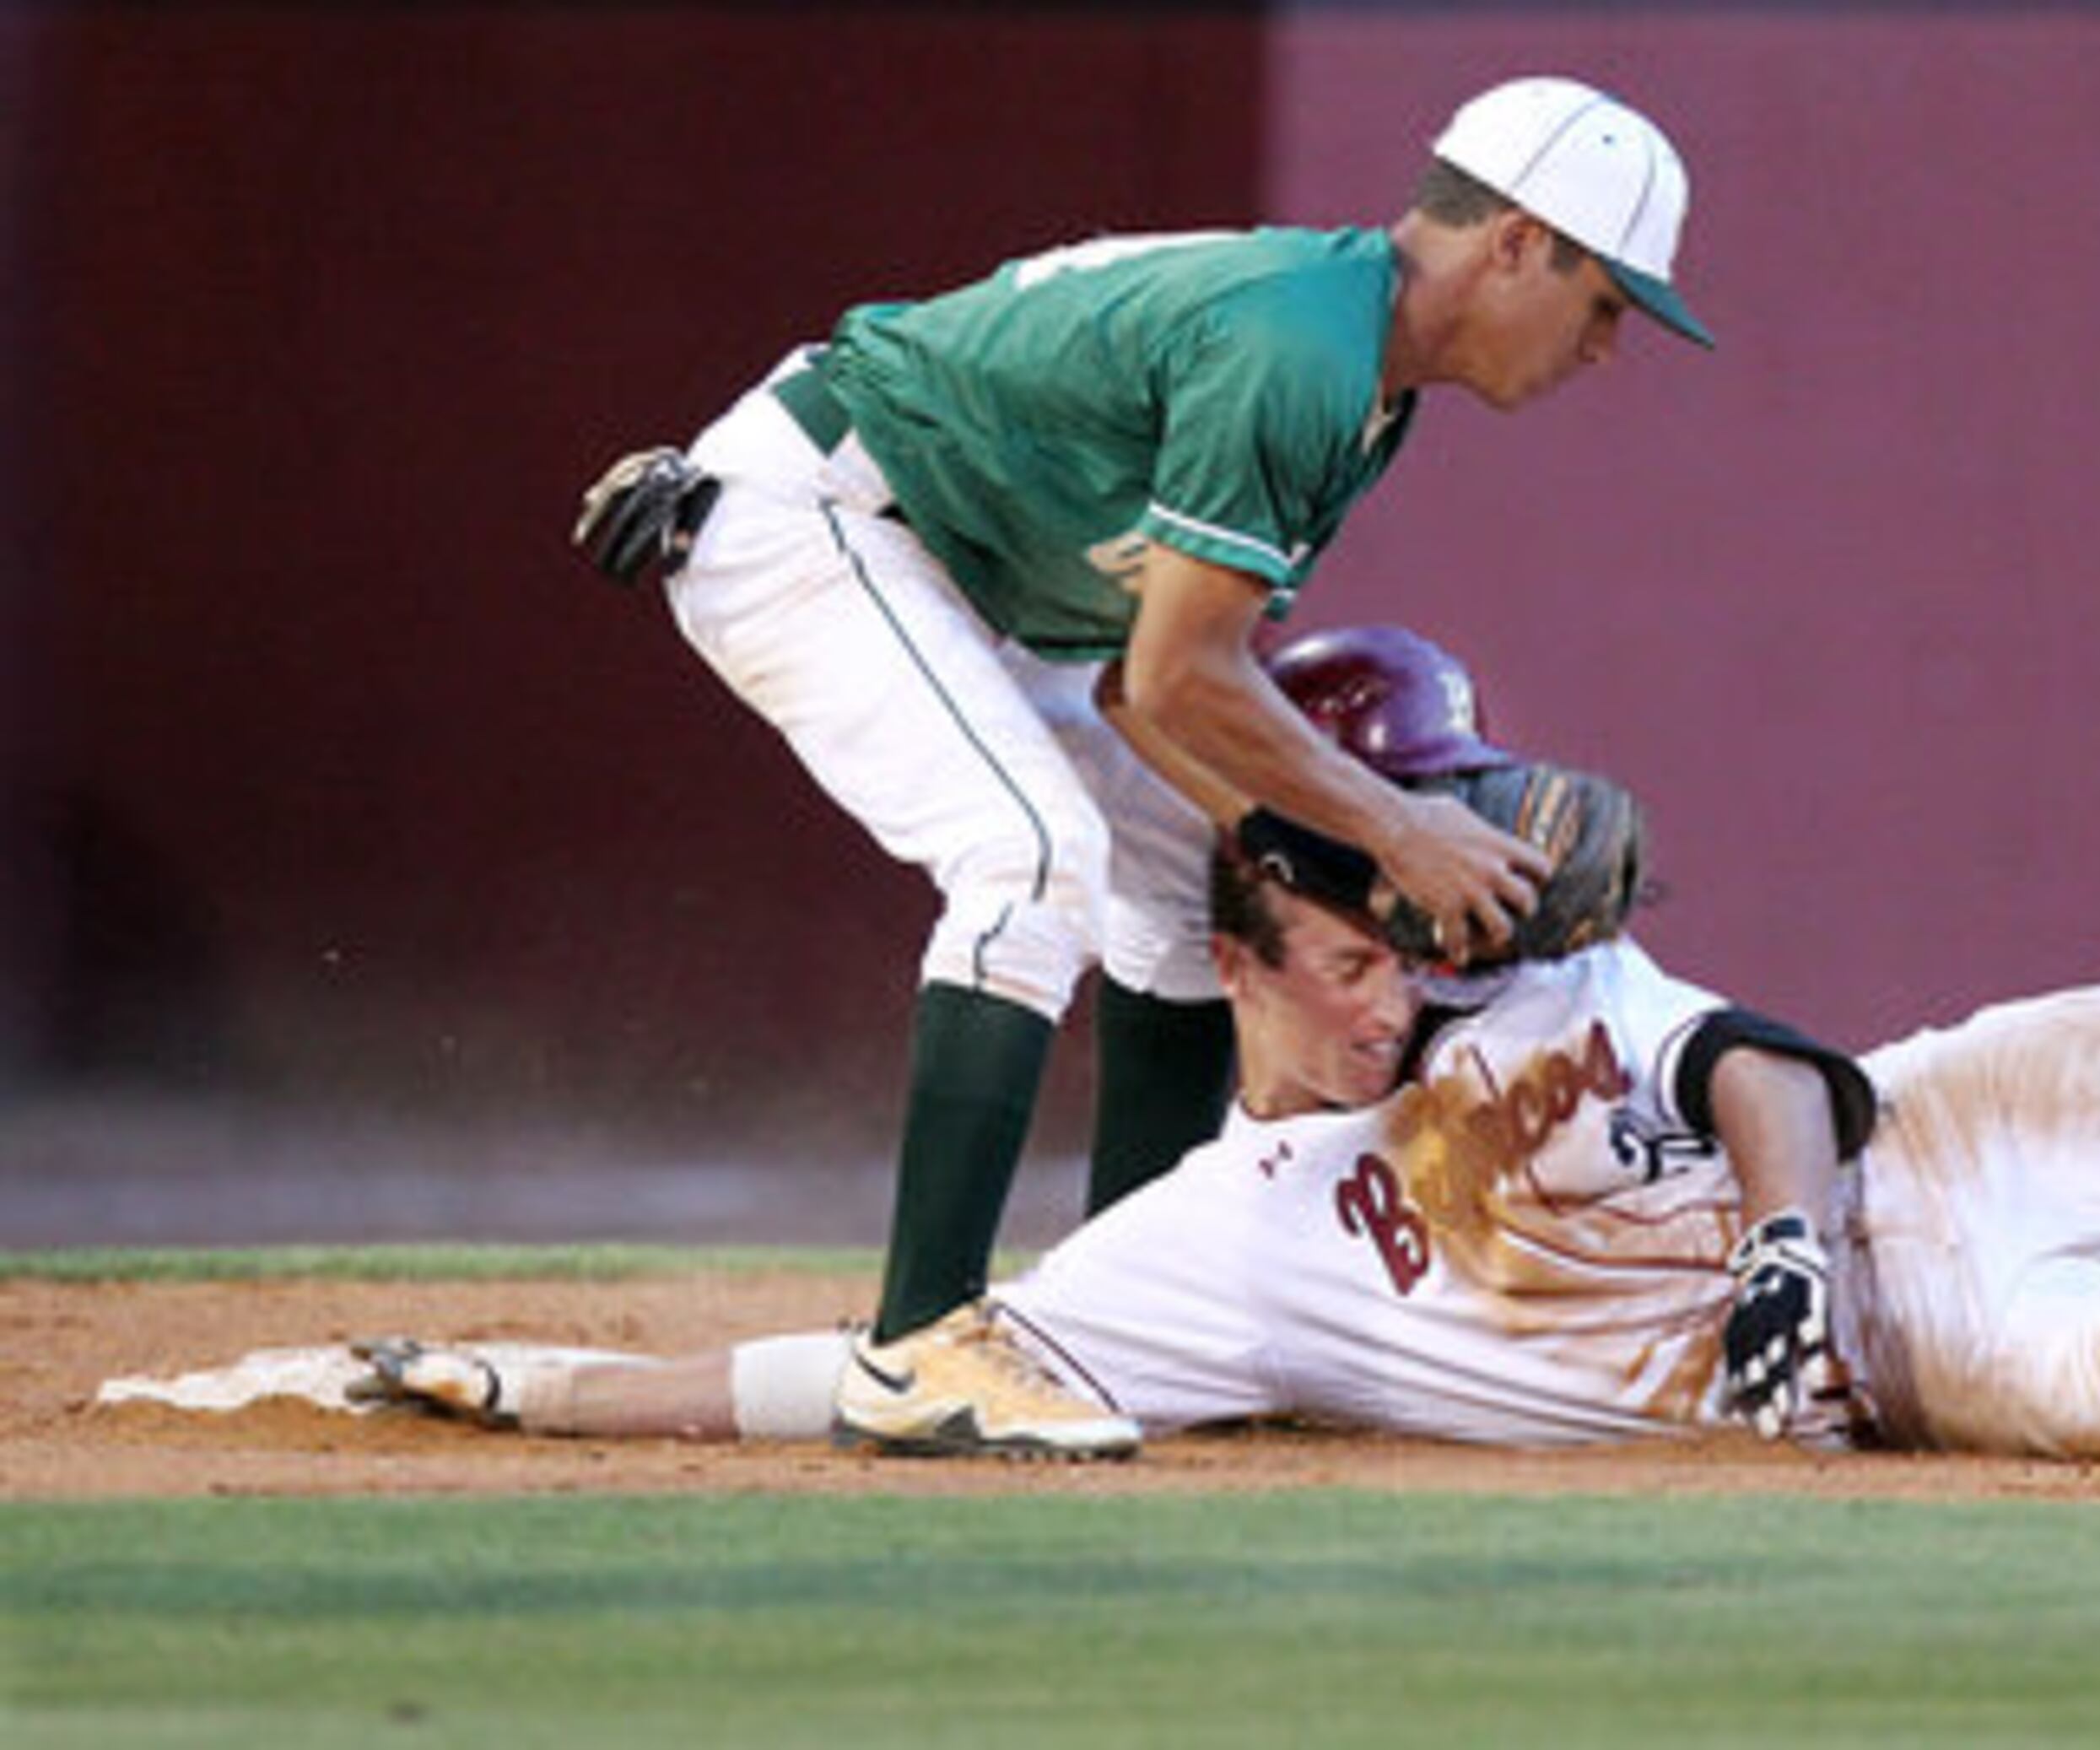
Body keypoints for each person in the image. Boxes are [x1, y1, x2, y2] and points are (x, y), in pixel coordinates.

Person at [360, 813, 2100, 1488]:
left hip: (1908, 1169)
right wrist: (514, 1377)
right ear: (1232, 960)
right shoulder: (1201, 1249)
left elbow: (1766, 1055)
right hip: (1917, 1356)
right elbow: (858, 1375)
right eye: (1332, 931)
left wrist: (1775, 1235)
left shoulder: (1527, 972)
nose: (1386, 965)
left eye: (1396, 912)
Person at [561, 75, 1713, 1458]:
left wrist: (1322, 857)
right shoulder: (1304, 349)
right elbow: (1178, 679)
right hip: (819, 521)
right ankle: (920, 1345)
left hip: (966, 576)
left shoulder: (1365, 387)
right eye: (1607, 300)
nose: (1608, 345)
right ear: (1518, 241)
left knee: (1174, 872)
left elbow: (1146, 686)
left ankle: (1128, 1314)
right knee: (1031, 854)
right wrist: (1401, 832)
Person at [1077, 624, 1516, 1210]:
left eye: (1451, 788)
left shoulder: (1499, 933)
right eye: (1407, 785)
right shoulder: (1190, 897)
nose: (1436, 813)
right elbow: (1123, 693)